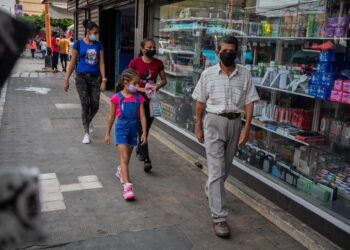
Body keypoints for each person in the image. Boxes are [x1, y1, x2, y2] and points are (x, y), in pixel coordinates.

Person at [192, 35, 260, 238]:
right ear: (217, 53)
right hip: (213, 121)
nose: (228, 54)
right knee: (217, 170)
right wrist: (198, 126)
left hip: (234, 123)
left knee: (224, 170)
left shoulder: (245, 74)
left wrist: (247, 128)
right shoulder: (208, 74)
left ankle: (210, 189)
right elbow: (200, 102)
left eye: (232, 51)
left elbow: (249, 102)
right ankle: (219, 217)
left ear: (237, 53)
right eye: (225, 51)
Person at [105, 69, 147, 200]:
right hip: (121, 128)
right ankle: (127, 187)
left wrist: (144, 132)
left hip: (133, 129)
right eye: (135, 83)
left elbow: (143, 116)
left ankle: (120, 171)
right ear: (125, 82)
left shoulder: (139, 98)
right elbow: (111, 117)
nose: (138, 86)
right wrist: (107, 133)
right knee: (124, 157)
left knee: (127, 158)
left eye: (138, 83)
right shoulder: (117, 98)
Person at [64, 19, 107, 144]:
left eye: (97, 33)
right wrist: (66, 79)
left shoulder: (99, 45)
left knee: (95, 105)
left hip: (95, 78)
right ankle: (86, 133)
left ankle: (88, 121)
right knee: (85, 105)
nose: (96, 35)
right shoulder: (78, 44)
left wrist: (104, 80)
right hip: (81, 77)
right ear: (88, 31)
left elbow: (102, 63)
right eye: (94, 32)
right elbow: (72, 62)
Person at [129, 38, 167, 172]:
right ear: (142, 49)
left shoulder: (158, 63)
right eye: (149, 47)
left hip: (152, 99)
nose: (152, 50)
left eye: (153, 47)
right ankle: (146, 159)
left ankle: (140, 145)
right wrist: (140, 89)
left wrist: (158, 85)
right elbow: (128, 83)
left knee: (147, 128)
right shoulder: (135, 63)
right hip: (138, 98)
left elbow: (164, 80)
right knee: (141, 128)